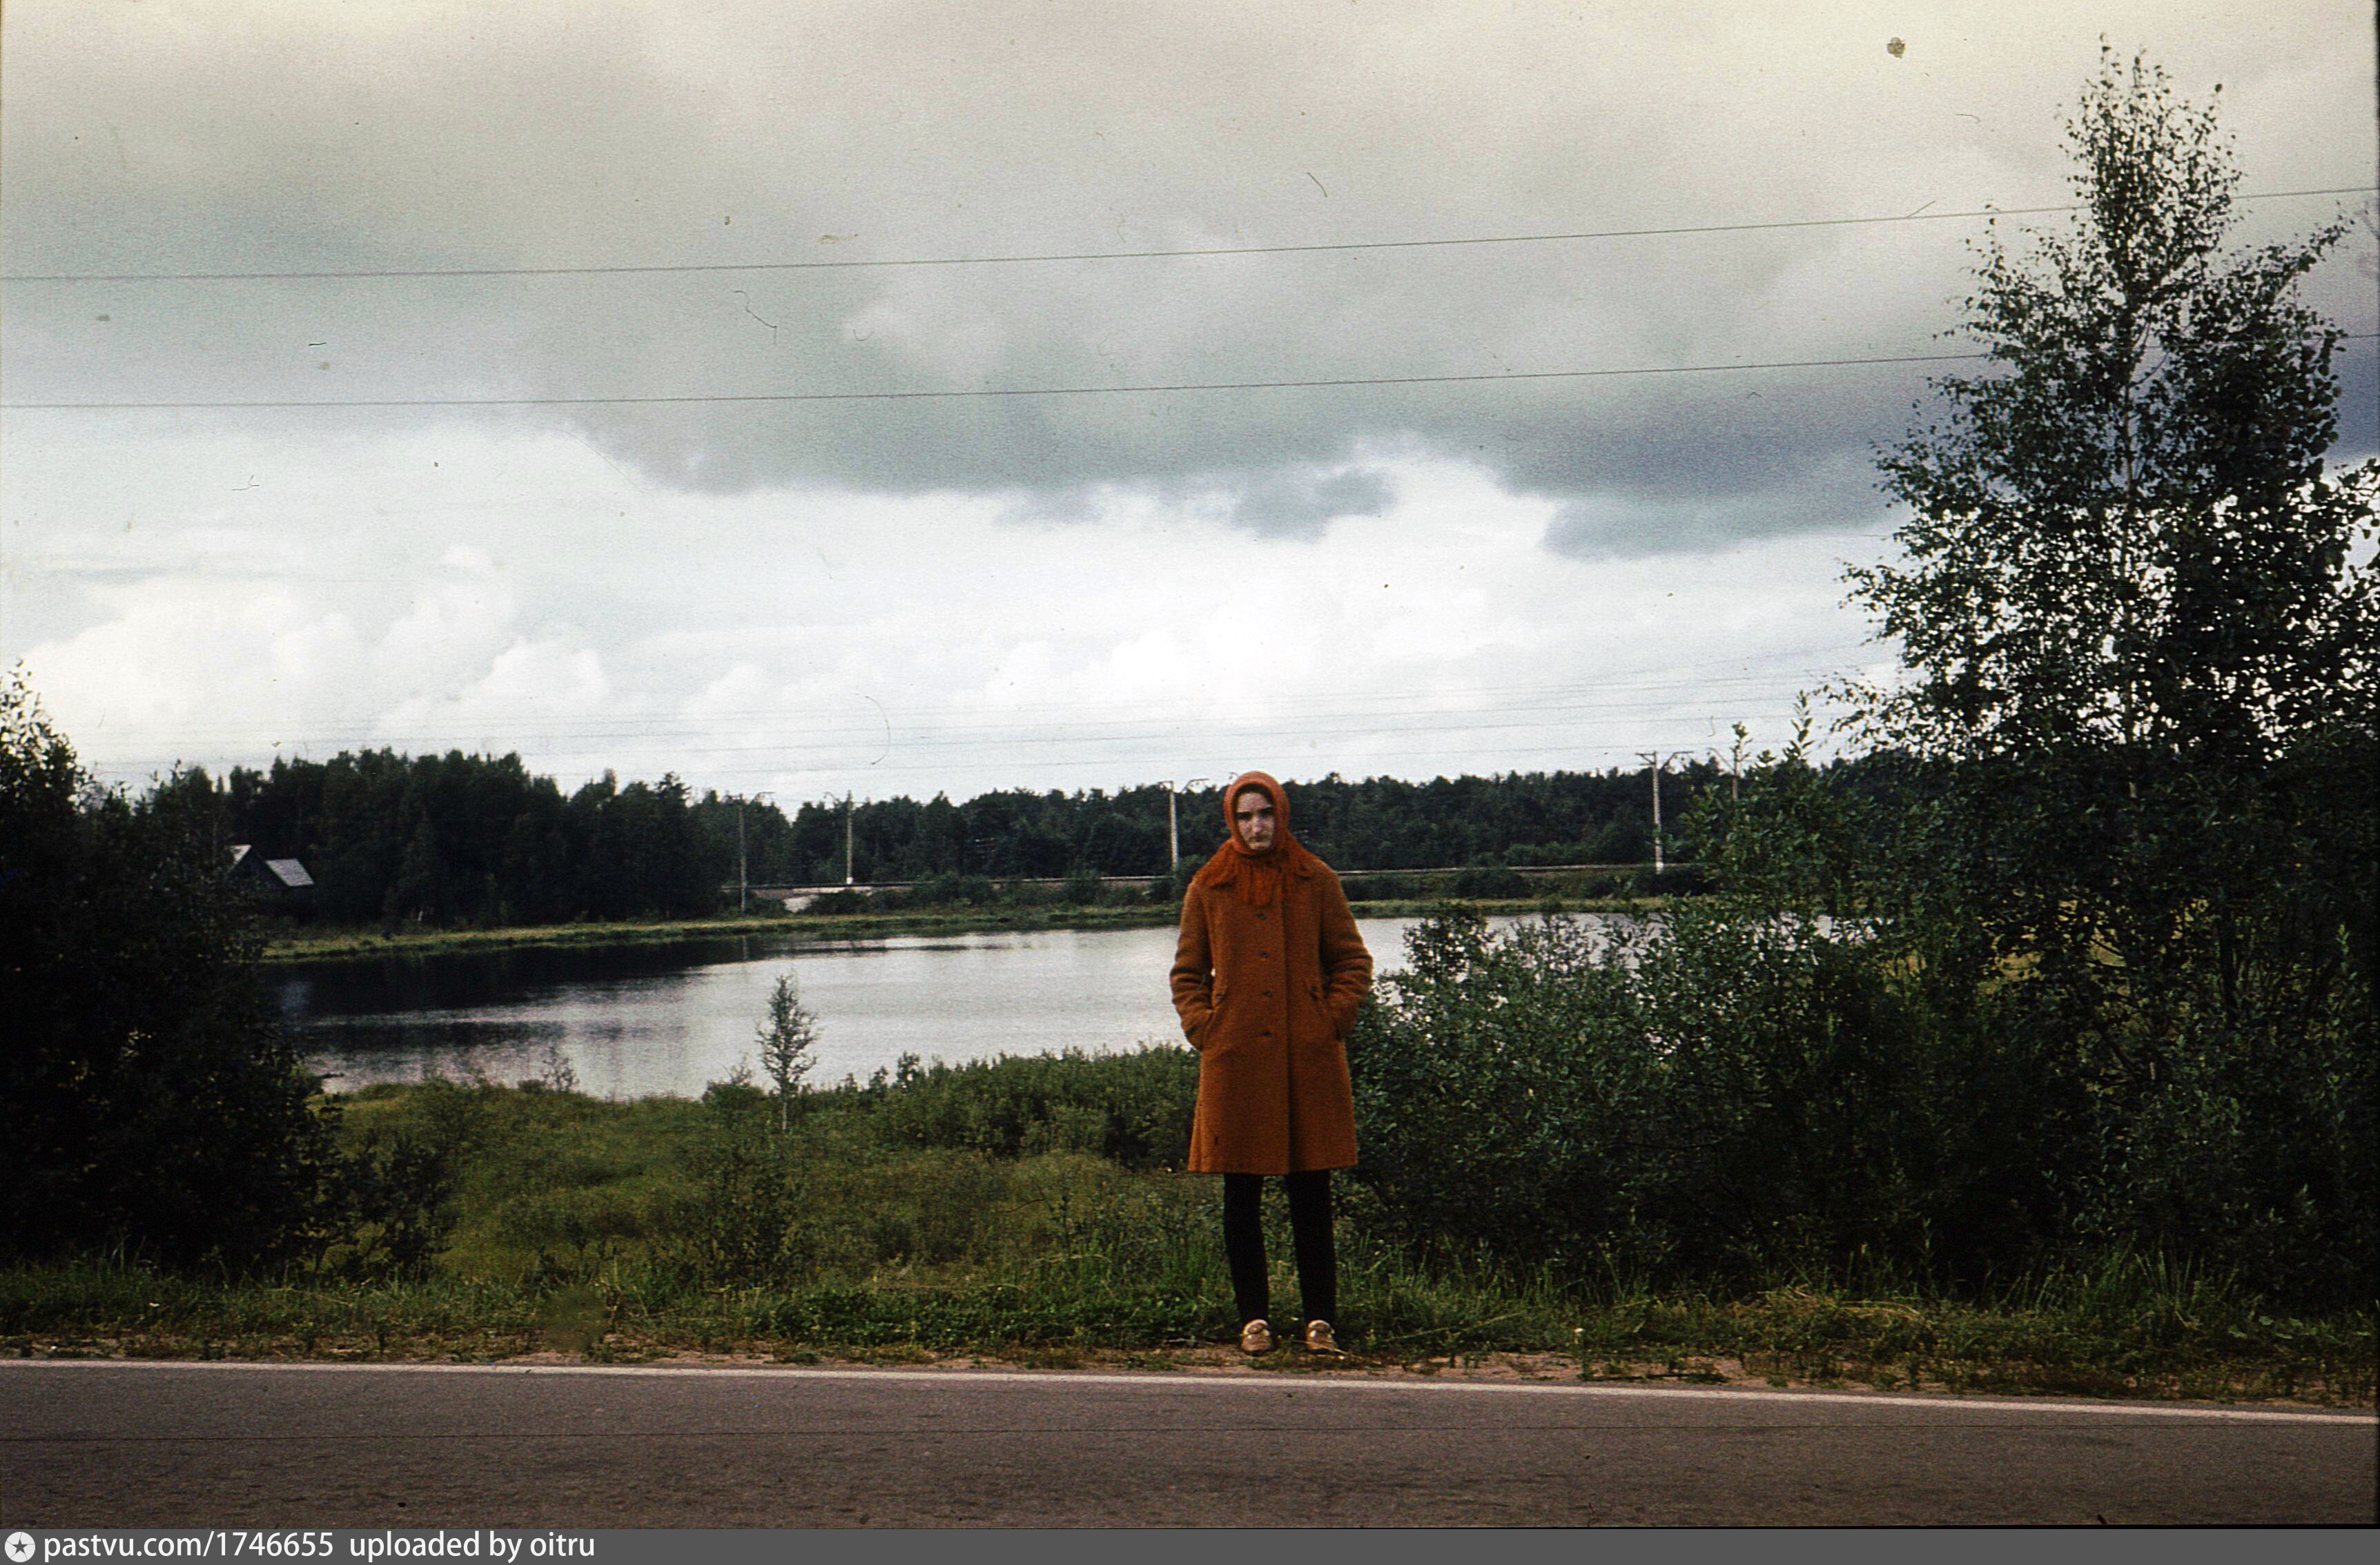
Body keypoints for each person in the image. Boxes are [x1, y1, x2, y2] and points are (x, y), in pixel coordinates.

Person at [1169, 771, 1373, 1356]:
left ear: (1281, 815)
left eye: (1265, 814)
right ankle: (1253, 1320)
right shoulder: (1208, 886)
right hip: (1235, 1062)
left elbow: (1352, 963)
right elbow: (1187, 975)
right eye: (1245, 816)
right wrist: (1208, 1030)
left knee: (1312, 1195)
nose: (1256, 826)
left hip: (1308, 1059)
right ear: (1231, 821)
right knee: (1242, 1197)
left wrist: (1329, 1020)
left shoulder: (1316, 880)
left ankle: (1320, 1322)